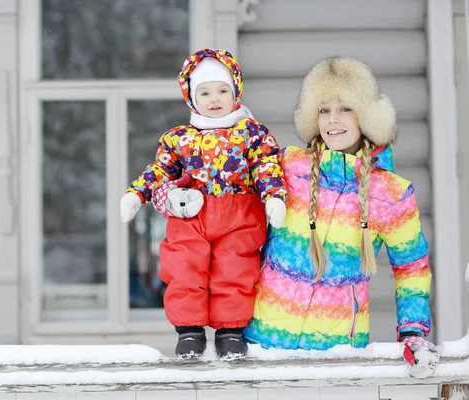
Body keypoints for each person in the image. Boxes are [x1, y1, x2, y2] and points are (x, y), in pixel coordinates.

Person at [239, 56, 439, 378]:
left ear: (367, 115)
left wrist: (412, 332)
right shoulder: (287, 167)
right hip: (262, 347)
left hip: (337, 357)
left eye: (345, 108)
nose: (333, 120)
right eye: (323, 110)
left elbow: (411, 268)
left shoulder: (391, 193)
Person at [120, 48, 288, 360]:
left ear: (235, 91)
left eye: (223, 90)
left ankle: (230, 331)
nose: (215, 98)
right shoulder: (179, 138)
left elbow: (267, 166)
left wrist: (274, 196)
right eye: (205, 92)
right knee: (185, 268)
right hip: (192, 216)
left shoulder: (252, 133)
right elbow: (160, 170)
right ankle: (189, 331)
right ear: (192, 98)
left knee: (235, 269)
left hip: (241, 214)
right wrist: (136, 193)